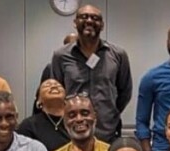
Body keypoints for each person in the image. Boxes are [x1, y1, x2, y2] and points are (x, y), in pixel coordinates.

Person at [51, 4, 132, 142]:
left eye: (95, 18)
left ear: (102, 25)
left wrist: (110, 112)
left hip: (108, 133)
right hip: (72, 135)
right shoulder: (60, 56)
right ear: (75, 23)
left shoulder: (118, 55)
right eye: (84, 17)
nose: (89, 21)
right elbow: (57, 95)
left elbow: (125, 92)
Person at [17, 78, 71, 151]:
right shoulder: (29, 125)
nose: (54, 86)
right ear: (38, 101)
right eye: (47, 85)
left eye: (58, 85)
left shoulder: (75, 120)